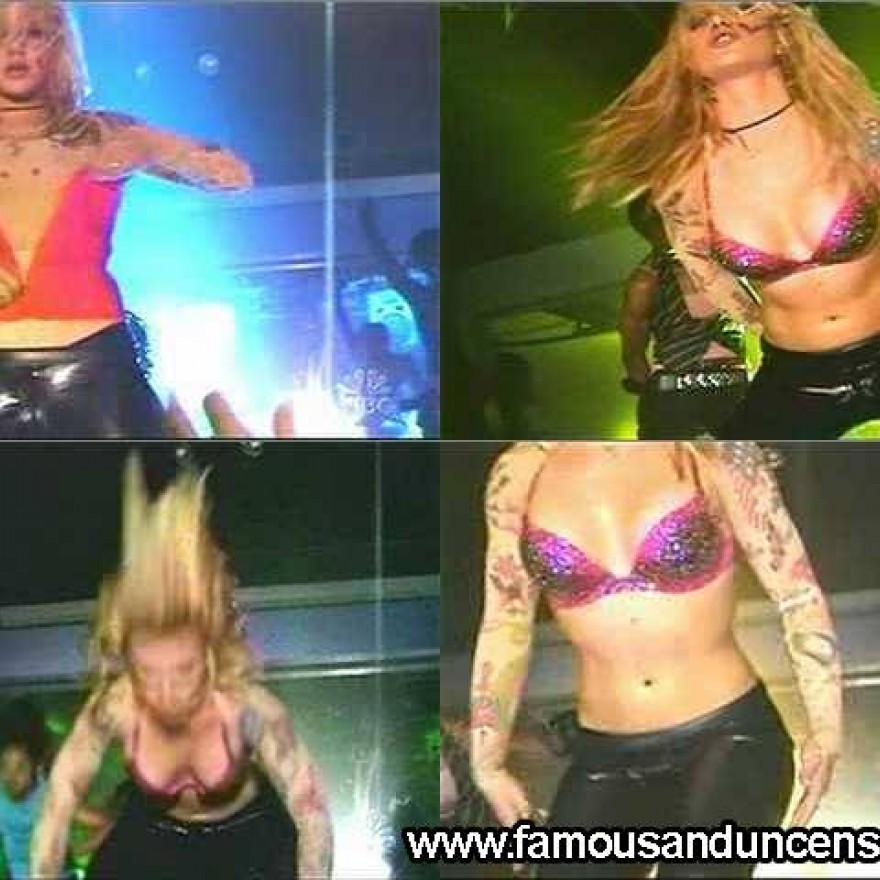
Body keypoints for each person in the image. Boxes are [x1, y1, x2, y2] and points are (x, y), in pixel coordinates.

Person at [470, 442, 842, 878]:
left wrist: (826, 729)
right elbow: (506, 621)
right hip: (604, 752)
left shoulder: (712, 455)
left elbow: (796, 592)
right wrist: (486, 762)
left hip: (729, 735)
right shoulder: (521, 470)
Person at [574, 2, 880, 439]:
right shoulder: (683, 179)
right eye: (697, 21)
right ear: (683, 56)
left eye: (740, 7)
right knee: (729, 472)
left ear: (782, 33)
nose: (718, 21)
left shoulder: (852, 128)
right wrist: (756, 322)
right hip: (797, 378)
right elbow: (703, 271)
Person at [31, 457, 333, 879]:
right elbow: (58, 804)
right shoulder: (117, 705)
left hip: (249, 841)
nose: (166, 690)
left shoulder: (246, 707)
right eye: (148, 674)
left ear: (209, 658)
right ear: (129, 663)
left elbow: (311, 809)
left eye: (184, 671)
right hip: (153, 837)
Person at [0, 1, 252, 438]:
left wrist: (164, 152)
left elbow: (231, 175)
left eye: (34, 34)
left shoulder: (105, 136)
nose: (15, 48)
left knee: (120, 481)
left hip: (93, 362)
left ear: (60, 45)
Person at [621, 194, 748, 438]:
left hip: (730, 386)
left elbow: (759, 317)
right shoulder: (646, 280)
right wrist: (654, 389)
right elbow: (632, 349)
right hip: (679, 391)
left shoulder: (722, 262)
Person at [0, 698, 108, 879]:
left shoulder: (51, 797)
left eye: (20, 767)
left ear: (36, 767)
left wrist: (80, 850)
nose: (11, 778)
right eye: (3, 767)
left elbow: (108, 824)